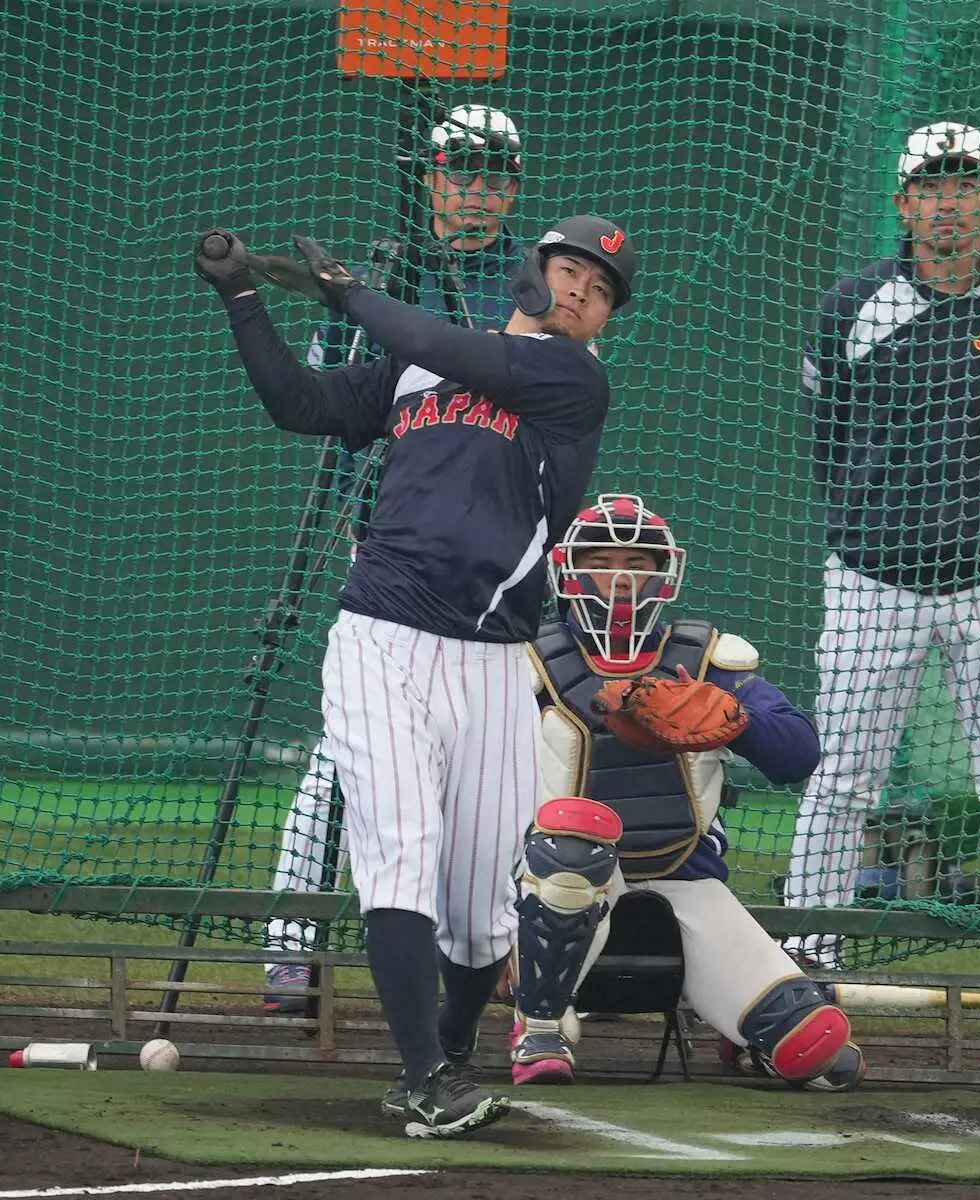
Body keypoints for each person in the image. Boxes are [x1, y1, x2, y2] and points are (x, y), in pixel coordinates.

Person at [193, 214, 636, 1137]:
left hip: (490, 662)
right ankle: (427, 1075)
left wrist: (350, 295)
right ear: (529, 273)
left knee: (481, 913)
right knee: (398, 852)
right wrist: (244, 300)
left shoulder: (573, 379)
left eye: (597, 294)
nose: (578, 297)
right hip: (382, 638)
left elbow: (438, 339)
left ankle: (446, 1050)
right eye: (567, 274)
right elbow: (304, 407)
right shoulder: (418, 365)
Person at [785, 120, 980, 1017]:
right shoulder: (851, 305)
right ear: (903, 205)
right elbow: (823, 441)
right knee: (842, 780)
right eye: (931, 189)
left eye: (965, 187)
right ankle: (805, 958)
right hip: (872, 584)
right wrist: (873, 526)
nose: (949, 205)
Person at [264, 104, 526, 1011]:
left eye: (492, 174)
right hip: (385, 550)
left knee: (483, 771)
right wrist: (357, 299)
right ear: (429, 178)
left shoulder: (533, 286)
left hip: (491, 561)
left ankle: (475, 954)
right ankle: (292, 941)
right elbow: (328, 391)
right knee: (345, 756)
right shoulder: (384, 267)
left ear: (513, 187)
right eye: (458, 170)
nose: (473, 190)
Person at [501, 494, 865, 1091]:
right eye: (601, 560)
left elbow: (799, 753)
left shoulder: (704, 661)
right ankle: (540, 1028)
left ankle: (743, 1034)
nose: (620, 578)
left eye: (638, 564)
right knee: (574, 839)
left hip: (685, 878)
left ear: (665, 573)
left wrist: (737, 719)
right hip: (551, 884)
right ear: (567, 570)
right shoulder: (523, 659)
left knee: (817, 1049)